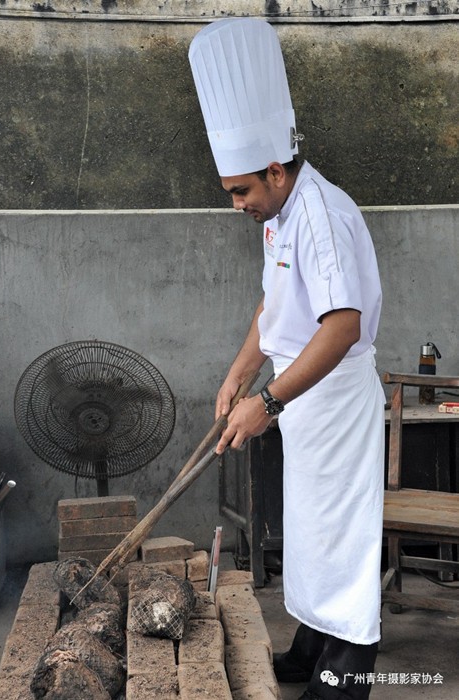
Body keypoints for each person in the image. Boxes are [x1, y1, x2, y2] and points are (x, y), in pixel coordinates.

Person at [189, 18, 385, 700]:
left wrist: (268, 400)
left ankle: (343, 677)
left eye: (242, 190)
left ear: (276, 169)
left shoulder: (322, 214)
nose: (238, 205)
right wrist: (240, 372)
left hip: (333, 402)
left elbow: (340, 326)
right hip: (303, 404)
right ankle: (311, 648)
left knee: (342, 547)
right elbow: (271, 308)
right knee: (309, 540)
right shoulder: (278, 212)